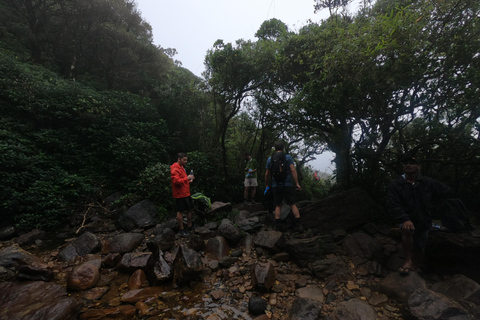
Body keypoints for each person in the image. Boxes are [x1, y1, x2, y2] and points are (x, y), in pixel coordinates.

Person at [386, 155, 452, 274]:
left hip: (424, 219)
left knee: (421, 244)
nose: (408, 165)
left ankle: (415, 267)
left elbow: (446, 192)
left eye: (412, 163)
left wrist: (436, 209)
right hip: (406, 218)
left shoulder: (427, 182)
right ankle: (407, 261)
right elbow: (392, 203)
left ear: (419, 167)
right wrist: (404, 219)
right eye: (406, 163)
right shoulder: (396, 184)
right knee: (407, 231)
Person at [265, 142, 304, 233]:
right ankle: (299, 225)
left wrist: (267, 184)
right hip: (288, 185)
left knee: (278, 205)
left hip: (276, 185)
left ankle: (278, 225)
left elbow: (267, 173)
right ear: (283, 148)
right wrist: (297, 183)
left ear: (275, 148)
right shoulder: (288, 158)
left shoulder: (270, 159)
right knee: (292, 204)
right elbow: (293, 170)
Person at [171, 152, 195, 236]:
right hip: (179, 194)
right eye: (184, 160)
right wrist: (187, 178)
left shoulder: (182, 167)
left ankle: (189, 226)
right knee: (180, 211)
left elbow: (183, 179)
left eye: (186, 160)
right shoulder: (175, 168)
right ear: (179, 159)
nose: (186, 161)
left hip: (186, 192)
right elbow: (176, 181)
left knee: (189, 209)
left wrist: (189, 180)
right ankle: (181, 229)